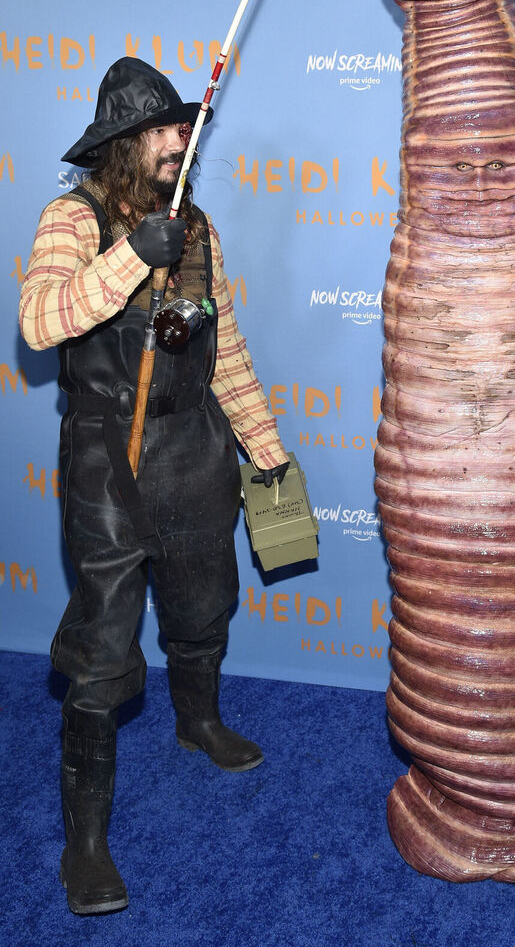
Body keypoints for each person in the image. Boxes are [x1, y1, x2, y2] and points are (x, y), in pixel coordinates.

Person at [19, 57, 289, 917]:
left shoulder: (197, 225)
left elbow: (225, 345)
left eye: (188, 130)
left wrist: (265, 447)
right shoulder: (72, 218)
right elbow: (40, 320)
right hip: (107, 451)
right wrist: (133, 255)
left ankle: (197, 720)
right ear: (126, 140)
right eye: (170, 129)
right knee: (102, 650)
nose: (185, 141)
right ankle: (85, 847)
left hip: (194, 442)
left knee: (203, 602)